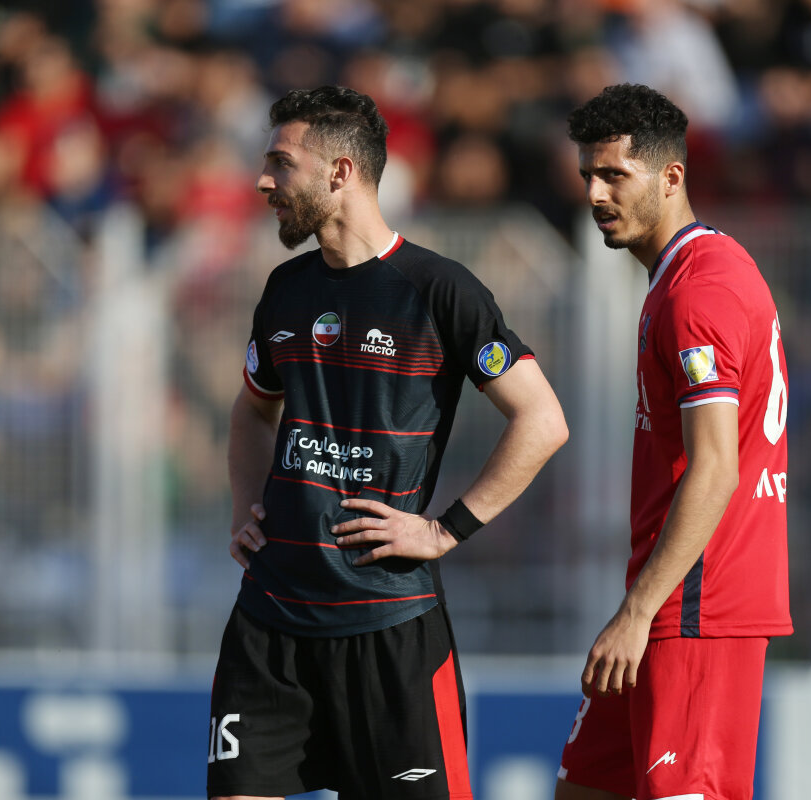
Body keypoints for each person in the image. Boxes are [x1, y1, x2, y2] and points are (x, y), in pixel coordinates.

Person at [210, 85, 568, 800]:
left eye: (281, 163)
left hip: (388, 625)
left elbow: (542, 420)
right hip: (270, 622)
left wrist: (445, 530)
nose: (262, 182)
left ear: (340, 172)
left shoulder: (440, 290)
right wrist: (247, 506)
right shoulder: (285, 289)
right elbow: (252, 412)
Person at [555, 84, 791, 800]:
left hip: (696, 603)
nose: (595, 194)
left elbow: (715, 469)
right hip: (666, 597)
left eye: (614, 175)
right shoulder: (690, 275)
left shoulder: (699, 292)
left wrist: (638, 611)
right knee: (584, 788)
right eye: (587, 176)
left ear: (671, 176)